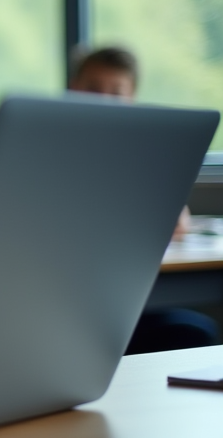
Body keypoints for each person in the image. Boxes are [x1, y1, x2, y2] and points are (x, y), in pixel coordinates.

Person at [68, 44, 217, 353]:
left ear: (132, 97)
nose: (105, 100)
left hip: (129, 296)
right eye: (93, 89)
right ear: (73, 88)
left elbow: (178, 220)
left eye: (116, 92)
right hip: (75, 301)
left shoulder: (139, 155)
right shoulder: (51, 149)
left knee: (195, 332)